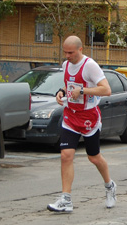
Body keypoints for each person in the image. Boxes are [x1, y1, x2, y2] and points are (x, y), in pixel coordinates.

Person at [48, 36, 116, 212]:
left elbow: (106, 89)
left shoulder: (90, 66)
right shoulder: (65, 65)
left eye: (71, 52)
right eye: (65, 52)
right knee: (66, 155)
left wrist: (83, 90)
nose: (67, 56)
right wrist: (61, 92)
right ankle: (66, 199)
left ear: (80, 49)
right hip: (70, 115)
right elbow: (69, 85)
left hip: (89, 117)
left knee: (93, 157)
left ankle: (109, 186)